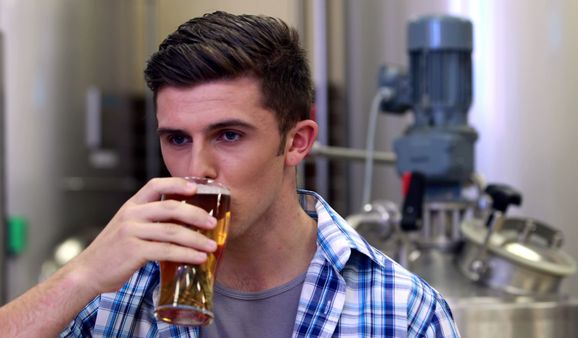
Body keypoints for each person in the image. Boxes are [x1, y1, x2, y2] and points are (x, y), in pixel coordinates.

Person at [0, 11, 460, 337]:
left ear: (296, 142)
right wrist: (82, 274)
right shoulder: (116, 293)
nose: (197, 169)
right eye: (177, 139)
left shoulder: (402, 311)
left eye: (229, 136)